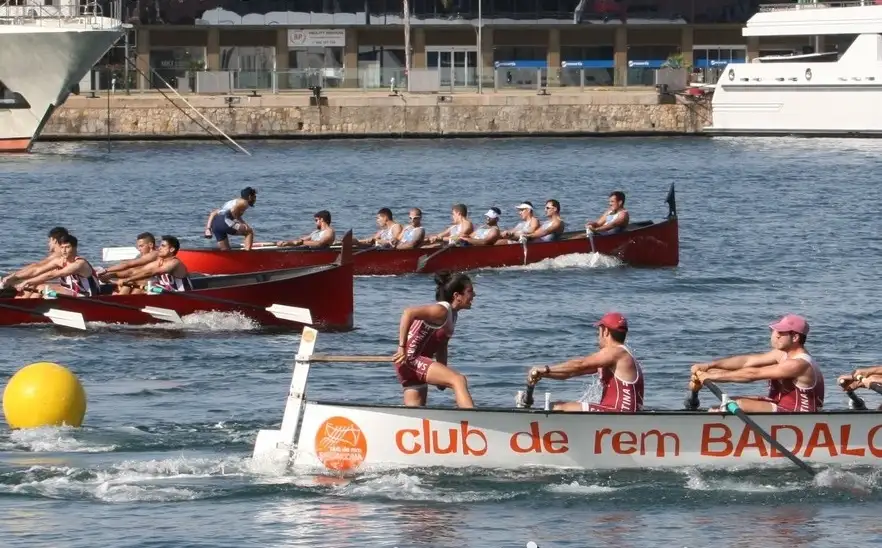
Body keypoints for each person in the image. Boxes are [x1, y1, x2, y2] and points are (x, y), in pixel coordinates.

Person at [691, 314, 824, 413]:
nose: (774, 335)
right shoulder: (781, 354)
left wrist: (712, 377)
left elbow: (753, 374)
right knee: (728, 401)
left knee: (734, 405)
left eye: (780, 333)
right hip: (781, 405)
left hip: (799, 415)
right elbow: (747, 362)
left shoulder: (799, 364)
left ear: (795, 337)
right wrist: (709, 367)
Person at [526, 312, 644, 412]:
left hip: (618, 413)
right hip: (618, 413)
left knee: (559, 407)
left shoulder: (616, 352)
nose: (598, 335)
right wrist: (543, 374)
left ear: (605, 331)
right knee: (555, 406)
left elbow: (580, 364)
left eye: (599, 331)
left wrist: (546, 369)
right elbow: (570, 373)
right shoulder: (618, 356)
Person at [392, 272, 476, 408]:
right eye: (470, 291)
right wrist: (401, 347)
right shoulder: (441, 310)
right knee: (458, 380)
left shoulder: (452, 316)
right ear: (457, 296)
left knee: (415, 413)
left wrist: (442, 376)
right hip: (411, 359)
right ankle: (475, 423)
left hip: (410, 363)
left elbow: (442, 346)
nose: (474, 295)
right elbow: (408, 312)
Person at [14, 234, 101, 298]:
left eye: (67, 247)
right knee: (37, 286)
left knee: (44, 289)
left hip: (86, 296)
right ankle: (19, 306)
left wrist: (26, 282)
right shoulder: (59, 261)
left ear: (75, 248)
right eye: (62, 247)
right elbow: (37, 270)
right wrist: (14, 278)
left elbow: (52, 275)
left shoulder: (80, 264)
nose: (64, 251)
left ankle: (29, 311)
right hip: (69, 292)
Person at [113, 235, 192, 294]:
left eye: (163, 246)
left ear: (172, 249)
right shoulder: (159, 262)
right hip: (165, 291)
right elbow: (136, 271)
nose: (159, 248)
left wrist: (128, 279)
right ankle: (123, 302)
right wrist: (112, 275)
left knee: (141, 285)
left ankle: (127, 305)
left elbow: (151, 272)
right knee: (134, 284)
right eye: (160, 245)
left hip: (180, 293)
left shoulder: (175, 263)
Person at [1, 226, 69, 290]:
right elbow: (36, 267)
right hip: (62, 284)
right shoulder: (59, 255)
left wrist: (14, 277)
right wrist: (14, 275)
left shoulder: (58, 256)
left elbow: (36, 269)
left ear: (54, 240)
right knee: (33, 283)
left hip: (69, 290)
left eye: (49, 241)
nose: (48, 244)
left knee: (37, 285)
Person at [204, 187, 257, 251]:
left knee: (225, 249)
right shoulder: (244, 203)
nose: (255, 199)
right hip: (226, 221)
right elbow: (233, 212)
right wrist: (241, 223)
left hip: (215, 224)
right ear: (249, 196)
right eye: (254, 196)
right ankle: (247, 256)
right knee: (249, 232)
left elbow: (213, 213)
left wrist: (208, 229)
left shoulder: (233, 202)